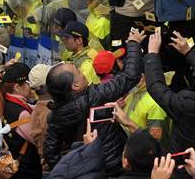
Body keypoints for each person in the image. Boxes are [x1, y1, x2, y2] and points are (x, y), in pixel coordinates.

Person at [43, 28, 145, 174]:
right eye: (79, 72)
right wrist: (134, 44)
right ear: (75, 86)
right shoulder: (95, 96)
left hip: (89, 170)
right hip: (114, 164)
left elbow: (50, 155)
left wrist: (77, 165)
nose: (83, 73)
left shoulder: (54, 117)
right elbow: (130, 76)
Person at [144, 30, 195, 158]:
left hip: (184, 158)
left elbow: (156, 88)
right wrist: (188, 52)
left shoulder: (190, 104)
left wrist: (152, 55)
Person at [0, 62, 41, 179]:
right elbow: (39, 141)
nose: (32, 87)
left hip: (11, 167)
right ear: (17, 87)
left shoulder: (2, 104)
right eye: (29, 83)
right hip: (26, 171)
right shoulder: (22, 113)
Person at [58, 21, 100, 85]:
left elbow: (84, 89)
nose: (64, 40)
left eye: (67, 38)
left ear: (79, 41)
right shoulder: (83, 53)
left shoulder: (86, 65)